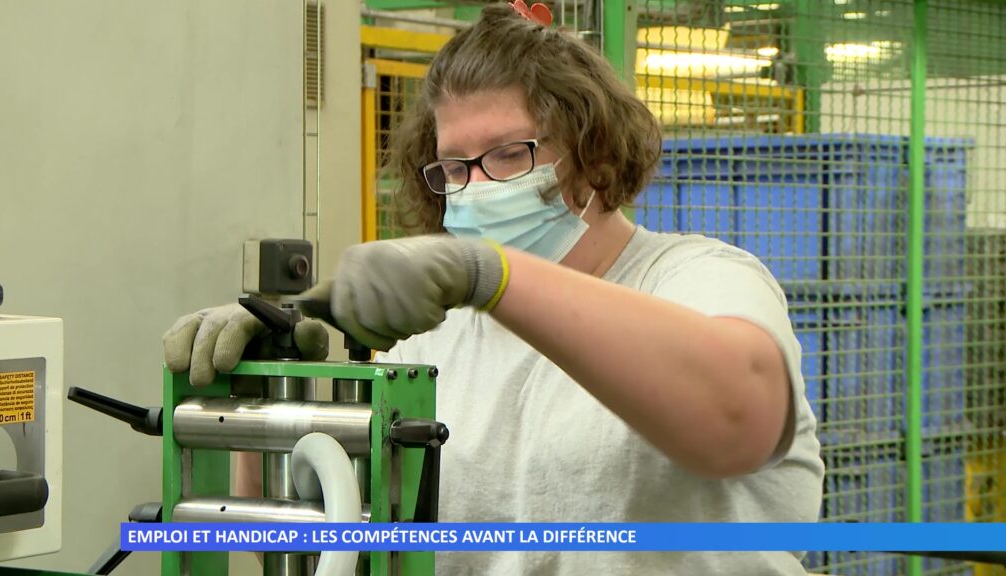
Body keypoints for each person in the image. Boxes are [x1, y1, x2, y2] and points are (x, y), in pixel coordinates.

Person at [163, 2, 823, 574]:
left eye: (511, 153)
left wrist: (491, 275)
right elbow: (325, 550)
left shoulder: (700, 279)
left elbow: (741, 418)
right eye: (454, 166)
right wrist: (265, 400)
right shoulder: (431, 339)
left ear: (592, 156)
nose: (476, 184)